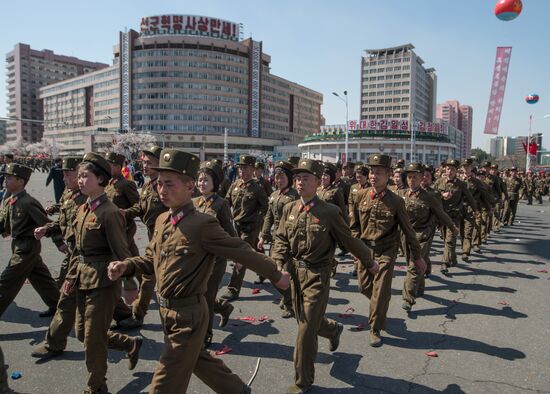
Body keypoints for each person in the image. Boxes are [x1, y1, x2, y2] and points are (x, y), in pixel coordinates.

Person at [107, 149, 290, 394]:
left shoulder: (202, 224)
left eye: (169, 184)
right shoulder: (163, 220)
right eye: (160, 183)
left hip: (188, 316)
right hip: (167, 312)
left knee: (164, 384)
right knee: (199, 362)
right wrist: (126, 266)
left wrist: (277, 276)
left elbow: (241, 250)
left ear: (190, 185)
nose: (162, 190)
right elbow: (150, 259)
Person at [270, 158, 379, 394]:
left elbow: (348, 240)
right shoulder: (289, 208)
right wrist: (278, 262)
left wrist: (369, 261)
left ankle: (302, 381)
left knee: (306, 328)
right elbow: (280, 238)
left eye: (306, 178)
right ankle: (332, 329)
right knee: (308, 321)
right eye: (297, 177)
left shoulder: (329, 212)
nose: (300, 182)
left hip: (317, 274)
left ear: (318, 182)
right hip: (294, 273)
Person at [65, 153, 142, 394]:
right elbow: (79, 250)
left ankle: (96, 388)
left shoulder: (109, 212)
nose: (80, 180)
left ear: (100, 179)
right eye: (79, 176)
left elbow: (122, 250)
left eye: (85, 176)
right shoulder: (83, 208)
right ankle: (129, 344)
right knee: (82, 333)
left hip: (103, 282)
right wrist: (70, 277)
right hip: (82, 278)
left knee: (93, 342)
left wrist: (129, 285)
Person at [350, 154, 426, 347]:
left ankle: (375, 328)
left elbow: (408, 232)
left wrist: (417, 257)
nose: (374, 176)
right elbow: (355, 226)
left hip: (386, 250)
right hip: (365, 250)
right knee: (364, 287)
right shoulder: (360, 195)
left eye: (378, 173)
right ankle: (381, 300)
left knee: (381, 287)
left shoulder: (396, 201)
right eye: (372, 172)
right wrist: (353, 246)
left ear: (389, 175)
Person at [31, 156, 89, 360]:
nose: (63, 178)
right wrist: (47, 228)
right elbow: (64, 222)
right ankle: (124, 316)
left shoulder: (85, 199)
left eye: (68, 174)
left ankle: (54, 343)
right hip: (74, 254)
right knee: (70, 295)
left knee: (67, 298)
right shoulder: (69, 194)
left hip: (82, 255)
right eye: (63, 174)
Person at [0, 163, 62, 318]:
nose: (5, 181)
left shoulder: (28, 202)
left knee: (5, 282)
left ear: (21, 181)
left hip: (27, 247)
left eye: (9, 178)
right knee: (41, 279)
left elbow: (46, 223)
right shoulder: (9, 201)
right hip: (18, 245)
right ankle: (59, 306)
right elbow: (2, 224)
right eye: (5, 177)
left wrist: (59, 242)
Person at [118, 145, 169, 329]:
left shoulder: (165, 184)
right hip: (152, 236)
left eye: (149, 163)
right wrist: (124, 213)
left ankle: (138, 315)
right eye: (143, 162)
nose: (144, 166)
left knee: (153, 278)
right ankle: (138, 315)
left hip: (167, 240)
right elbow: (140, 207)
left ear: (159, 163)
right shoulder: (148, 184)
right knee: (151, 277)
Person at [400, 163, 457, 311]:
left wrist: (451, 226)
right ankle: (420, 287)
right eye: (410, 177)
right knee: (415, 263)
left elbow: (441, 214)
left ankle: (408, 298)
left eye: (415, 177)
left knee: (413, 266)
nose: (412, 180)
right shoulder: (401, 194)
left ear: (421, 179)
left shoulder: (429, 197)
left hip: (423, 234)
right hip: (406, 235)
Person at [193, 160, 236, 347]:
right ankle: (224, 307)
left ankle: (206, 335)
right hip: (197, 259)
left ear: (215, 183)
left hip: (216, 260)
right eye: (200, 180)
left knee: (206, 297)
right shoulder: (193, 201)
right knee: (201, 296)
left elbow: (229, 231)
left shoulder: (221, 204)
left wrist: (238, 255)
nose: (201, 183)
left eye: (206, 180)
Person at [220, 155, 268, 301]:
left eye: (245, 168)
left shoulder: (258, 188)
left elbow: (266, 207)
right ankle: (265, 270)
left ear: (253, 169)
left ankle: (233, 289)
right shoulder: (235, 185)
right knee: (256, 249)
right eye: (240, 168)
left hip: (251, 227)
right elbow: (226, 202)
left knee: (241, 256)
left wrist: (259, 221)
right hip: (237, 226)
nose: (242, 171)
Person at [258, 160, 299, 318]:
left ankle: (290, 304)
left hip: (290, 240)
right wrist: (263, 235)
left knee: (285, 273)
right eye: (277, 177)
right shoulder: (274, 195)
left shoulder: (294, 196)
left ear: (289, 178)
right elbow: (268, 216)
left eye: (282, 177)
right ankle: (288, 296)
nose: (279, 180)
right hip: (276, 239)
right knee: (272, 272)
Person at [433, 159, 478, 274]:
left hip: (455, 216)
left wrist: (475, 210)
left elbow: (470, 198)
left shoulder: (461, 184)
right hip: (442, 216)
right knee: (445, 240)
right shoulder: (439, 182)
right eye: (448, 168)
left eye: (452, 169)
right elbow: (431, 195)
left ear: (456, 171)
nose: (450, 171)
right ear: (445, 169)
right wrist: (441, 195)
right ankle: (453, 258)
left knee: (450, 240)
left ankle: (445, 263)